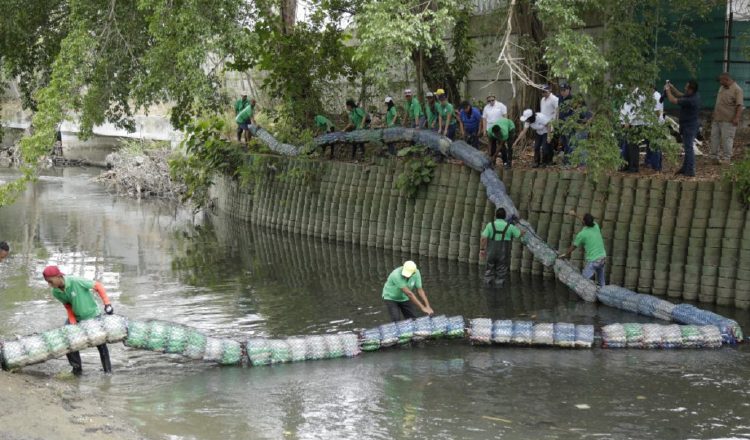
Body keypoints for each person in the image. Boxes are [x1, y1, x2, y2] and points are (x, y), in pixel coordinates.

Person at [42, 266, 114, 375]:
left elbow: (98, 286)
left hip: (93, 315)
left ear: (58, 277)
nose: (49, 285)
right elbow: (68, 305)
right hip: (77, 317)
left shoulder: (76, 281)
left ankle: (108, 371)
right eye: (48, 282)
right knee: (67, 340)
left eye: (50, 281)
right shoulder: (55, 292)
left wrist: (107, 304)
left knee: (101, 344)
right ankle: (77, 370)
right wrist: (72, 319)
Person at [559, 212, 607, 287]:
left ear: (584, 222)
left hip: (594, 261)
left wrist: (565, 254)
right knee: (602, 283)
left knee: (582, 281)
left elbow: (574, 246)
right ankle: (603, 291)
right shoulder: (596, 226)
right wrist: (575, 215)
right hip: (603, 259)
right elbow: (584, 221)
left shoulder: (582, 234)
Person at [479, 208, 524, 286]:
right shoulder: (510, 226)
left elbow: (483, 238)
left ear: (496, 215)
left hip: (491, 253)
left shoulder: (490, 225)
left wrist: (482, 250)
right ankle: (500, 293)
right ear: (505, 216)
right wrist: (523, 231)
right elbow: (518, 235)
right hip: (503, 253)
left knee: (489, 272)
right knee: (501, 273)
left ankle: (487, 291)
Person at [665, 80, 700, 177]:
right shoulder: (692, 95)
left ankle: (690, 170)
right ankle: (685, 168)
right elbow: (680, 94)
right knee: (687, 147)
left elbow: (673, 100)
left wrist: (667, 90)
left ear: (691, 90)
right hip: (688, 125)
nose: (685, 88)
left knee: (689, 148)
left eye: (686, 87)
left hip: (689, 126)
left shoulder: (691, 100)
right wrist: (672, 87)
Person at [711, 73, 744, 164]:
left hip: (728, 120)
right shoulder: (722, 88)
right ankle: (714, 157)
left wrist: (736, 118)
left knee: (727, 139)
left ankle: (726, 159)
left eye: (721, 80)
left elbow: (740, 105)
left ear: (727, 79)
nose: (720, 82)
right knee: (714, 138)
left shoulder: (737, 90)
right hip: (717, 118)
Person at [644, 87, 665, 171]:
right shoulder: (653, 96)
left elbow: (657, 112)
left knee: (655, 145)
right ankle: (650, 162)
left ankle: (656, 166)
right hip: (651, 124)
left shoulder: (656, 97)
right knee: (650, 144)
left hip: (654, 125)